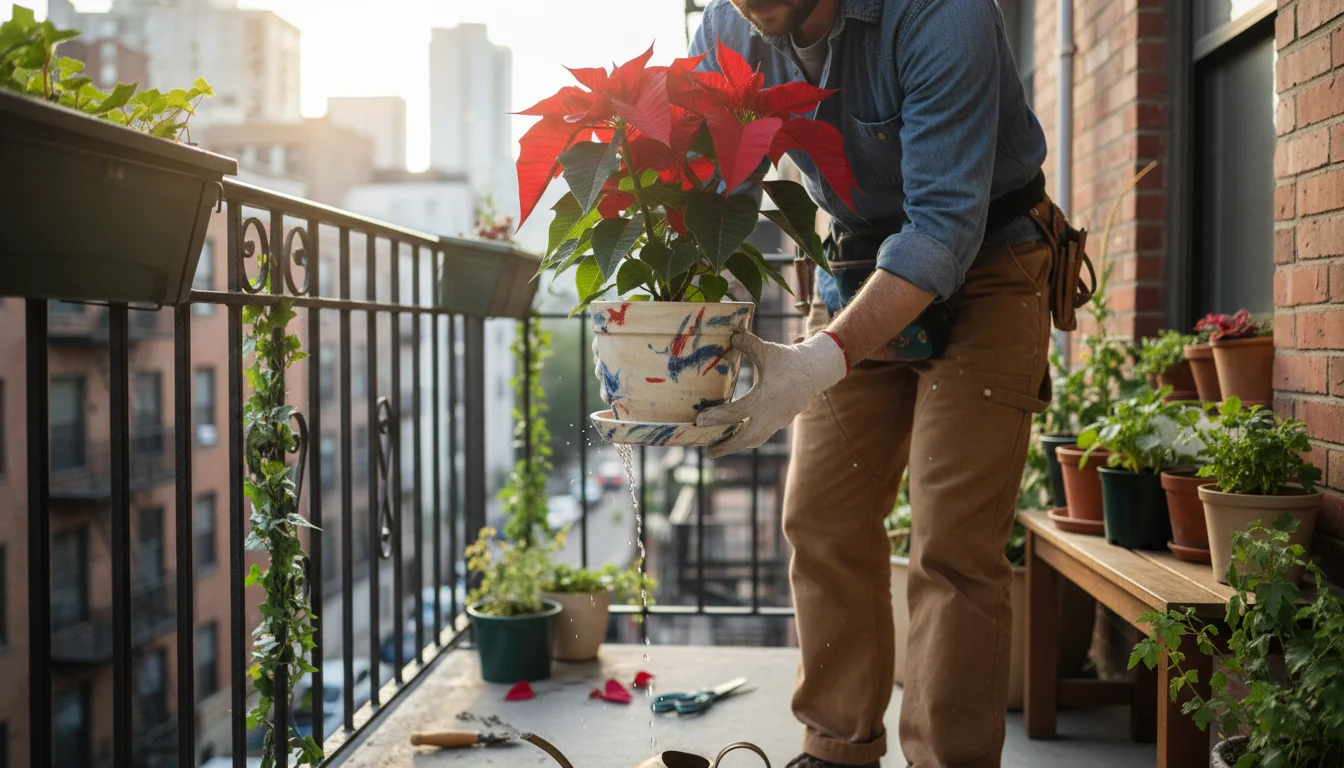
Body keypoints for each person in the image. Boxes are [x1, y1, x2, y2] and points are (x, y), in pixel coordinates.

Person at [690, 1, 1060, 767]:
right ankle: (836, 751)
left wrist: (817, 361)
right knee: (821, 518)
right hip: (859, 270)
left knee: (953, 546)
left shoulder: (939, 12)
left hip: (991, 260)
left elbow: (940, 232)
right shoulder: (733, 26)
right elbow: (707, 186)